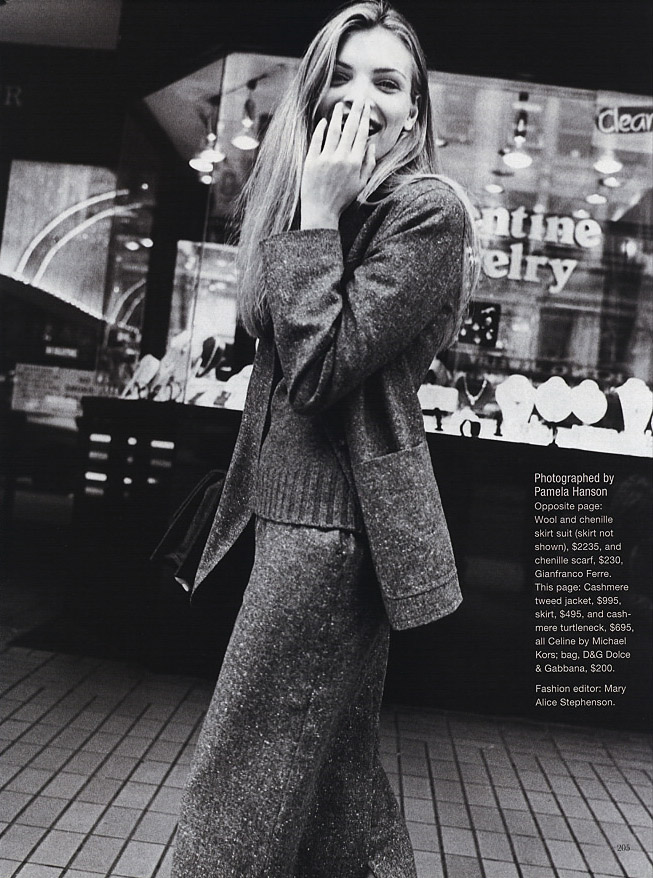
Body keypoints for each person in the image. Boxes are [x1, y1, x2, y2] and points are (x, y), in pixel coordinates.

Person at [171, 2, 480, 876]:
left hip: (331, 534)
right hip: (290, 520)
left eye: (386, 82)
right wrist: (313, 209)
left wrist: (316, 213)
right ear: (310, 96)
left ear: (413, 114)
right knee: (336, 785)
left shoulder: (424, 213)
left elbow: (316, 372)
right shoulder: (320, 202)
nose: (360, 97)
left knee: (244, 776)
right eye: (340, 77)